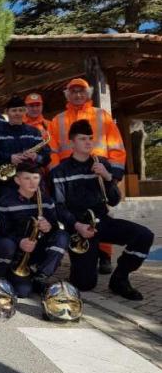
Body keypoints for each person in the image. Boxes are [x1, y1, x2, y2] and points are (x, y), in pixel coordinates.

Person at [51, 120, 153, 300]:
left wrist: (107, 177)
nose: (88, 142)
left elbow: (114, 201)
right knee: (85, 284)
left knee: (144, 235)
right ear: (72, 142)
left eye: (90, 138)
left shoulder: (102, 163)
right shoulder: (60, 171)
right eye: (82, 139)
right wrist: (77, 226)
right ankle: (90, 257)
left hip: (102, 221)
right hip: (79, 229)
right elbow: (58, 207)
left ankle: (120, 279)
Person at [47, 77, 127, 273]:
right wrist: (57, 175)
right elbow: (52, 151)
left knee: (101, 214)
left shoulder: (102, 116)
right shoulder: (58, 120)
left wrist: (112, 175)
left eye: (81, 91)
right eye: (73, 91)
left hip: (97, 174)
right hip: (70, 176)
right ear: (67, 94)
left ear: (88, 93)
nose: (77, 94)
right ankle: (81, 251)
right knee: (74, 215)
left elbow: (117, 147)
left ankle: (105, 255)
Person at [0, 162, 69, 297]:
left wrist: (49, 227)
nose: (32, 182)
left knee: (62, 236)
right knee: (23, 293)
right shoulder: (6, 201)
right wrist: (20, 242)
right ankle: (11, 276)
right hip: (17, 252)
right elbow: (2, 231)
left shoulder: (46, 200)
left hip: (38, 249)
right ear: (17, 180)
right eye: (27, 178)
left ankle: (41, 275)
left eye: (36, 178)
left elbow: (54, 228)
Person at [0, 95, 50, 197]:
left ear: (25, 111)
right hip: (6, 182)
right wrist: (9, 158)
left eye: (21, 110)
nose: (17, 114)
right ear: (7, 111)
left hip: (30, 181)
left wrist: (36, 157)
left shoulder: (34, 132)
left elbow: (47, 156)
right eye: (14, 110)